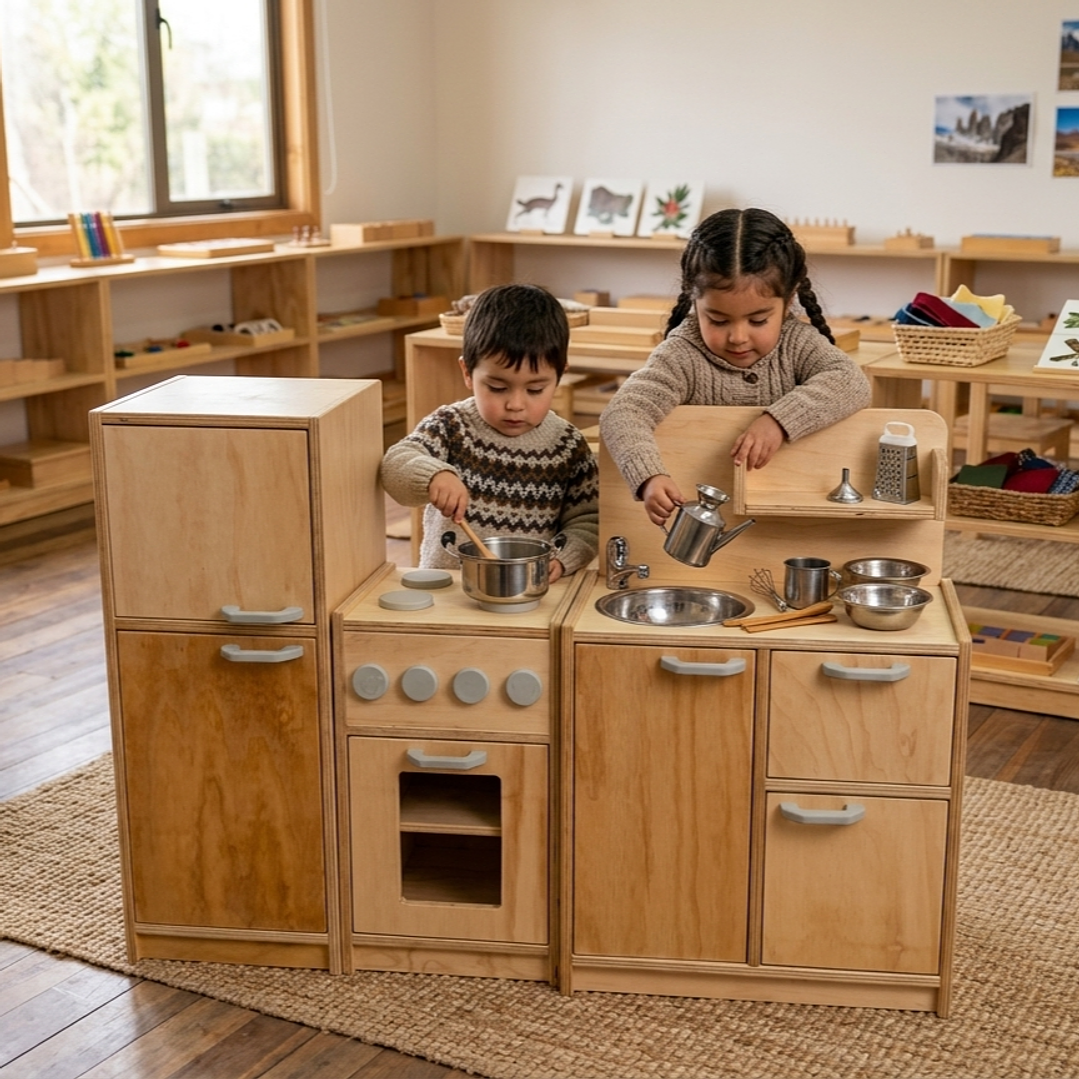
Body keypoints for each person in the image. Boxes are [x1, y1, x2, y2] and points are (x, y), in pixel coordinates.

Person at [599, 207, 872, 525]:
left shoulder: (797, 342)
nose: (738, 337)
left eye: (758, 320)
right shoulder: (682, 353)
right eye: (717, 319)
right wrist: (648, 476)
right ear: (693, 299)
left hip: (786, 513)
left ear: (789, 301)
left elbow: (851, 382)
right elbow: (623, 413)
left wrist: (778, 422)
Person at [380, 283, 598, 581]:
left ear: (560, 375)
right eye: (497, 387)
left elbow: (587, 520)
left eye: (536, 389)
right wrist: (432, 474)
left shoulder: (568, 445)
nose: (515, 404)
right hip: (448, 591)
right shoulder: (450, 426)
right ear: (467, 373)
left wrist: (564, 557)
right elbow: (396, 464)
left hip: (528, 593)